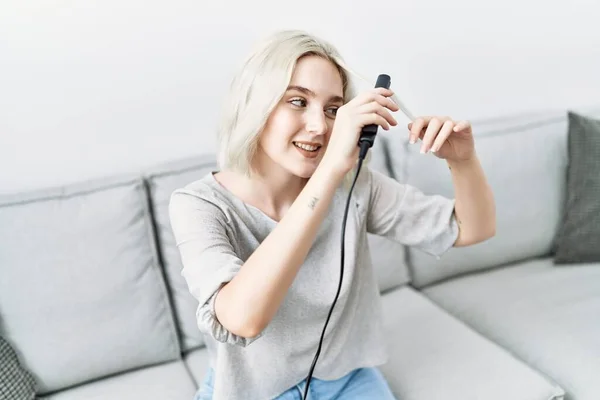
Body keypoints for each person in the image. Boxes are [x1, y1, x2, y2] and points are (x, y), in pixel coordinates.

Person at [168, 29, 496, 400]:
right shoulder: (199, 205)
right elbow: (242, 320)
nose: (320, 126)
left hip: (346, 380)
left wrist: (463, 160)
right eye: (297, 101)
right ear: (255, 103)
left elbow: (474, 229)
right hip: (251, 391)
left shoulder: (355, 187)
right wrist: (328, 172)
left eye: (332, 109)